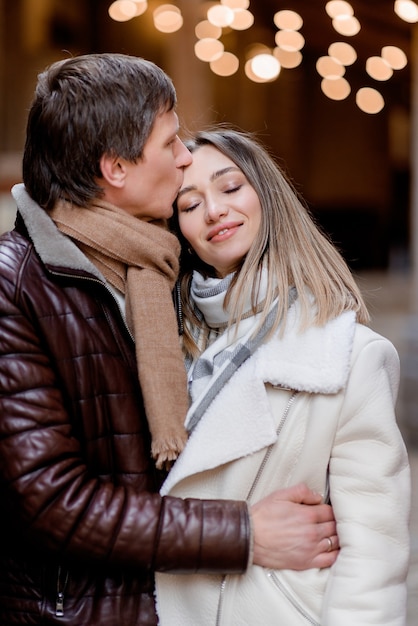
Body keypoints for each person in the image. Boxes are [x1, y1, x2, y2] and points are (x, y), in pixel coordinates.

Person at [0, 54, 340, 625]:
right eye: (171, 142)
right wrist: (246, 532)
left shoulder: (161, 267)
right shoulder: (15, 288)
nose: (186, 159)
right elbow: (51, 502)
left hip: (172, 605)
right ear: (116, 168)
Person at [155, 127, 411, 625]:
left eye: (230, 188)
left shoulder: (348, 355)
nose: (214, 211)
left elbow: (374, 553)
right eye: (189, 205)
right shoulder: (157, 346)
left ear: (267, 196)